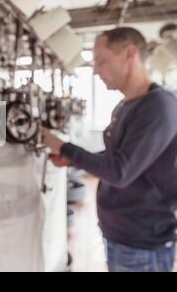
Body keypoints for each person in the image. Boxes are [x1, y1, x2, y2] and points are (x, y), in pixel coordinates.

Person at [42, 27, 177, 272]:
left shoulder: (159, 107)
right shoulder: (125, 106)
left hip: (141, 245)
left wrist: (63, 146)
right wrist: (71, 160)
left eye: (101, 61)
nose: (95, 70)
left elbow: (119, 171)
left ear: (130, 54)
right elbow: (116, 157)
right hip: (120, 235)